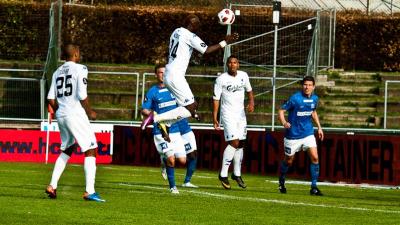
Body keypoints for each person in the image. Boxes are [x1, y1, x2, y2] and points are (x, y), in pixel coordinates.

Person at [141, 14, 239, 140]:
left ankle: (166, 123)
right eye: (197, 23)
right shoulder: (190, 36)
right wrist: (226, 41)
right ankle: (156, 118)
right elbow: (207, 50)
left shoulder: (176, 31)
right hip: (176, 75)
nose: (199, 25)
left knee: (190, 109)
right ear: (191, 24)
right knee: (191, 108)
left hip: (168, 73)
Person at [45, 44, 105, 202]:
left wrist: (60, 109)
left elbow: (50, 98)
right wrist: (89, 111)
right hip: (75, 113)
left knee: (68, 148)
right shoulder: (81, 69)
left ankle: (52, 185)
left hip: (62, 115)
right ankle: (89, 191)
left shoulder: (57, 72)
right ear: (76, 54)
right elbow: (81, 94)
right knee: (91, 149)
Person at [142, 64, 198, 193]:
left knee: (183, 160)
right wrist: (152, 114)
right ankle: (173, 187)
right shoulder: (152, 91)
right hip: (160, 129)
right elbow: (145, 109)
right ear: (156, 75)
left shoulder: (174, 88)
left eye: (164, 72)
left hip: (176, 129)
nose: (162, 74)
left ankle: (163, 160)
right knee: (171, 159)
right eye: (160, 72)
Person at [277, 76, 324, 196]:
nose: (307, 87)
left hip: (308, 133)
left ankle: (314, 187)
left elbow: (313, 112)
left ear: (313, 87)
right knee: (289, 161)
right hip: (293, 135)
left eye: (309, 85)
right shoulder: (295, 99)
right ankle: (281, 180)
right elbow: (281, 110)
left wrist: (319, 127)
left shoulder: (315, 98)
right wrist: (284, 123)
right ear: (302, 86)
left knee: (314, 157)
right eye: (305, 85)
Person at [212, 55, 254, 189]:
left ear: (238, 64)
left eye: (235, 62)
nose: (232, 65)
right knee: (234, 142)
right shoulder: (221, 79)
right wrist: (215, 117)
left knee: (241, 143)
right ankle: (223, 174)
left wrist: (252, 102)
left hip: (241, 114)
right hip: (228, 114)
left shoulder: (244, 75)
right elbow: (216, 99)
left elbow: (249, 90)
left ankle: (236, 173)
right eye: (230, 63)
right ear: (227, 65)